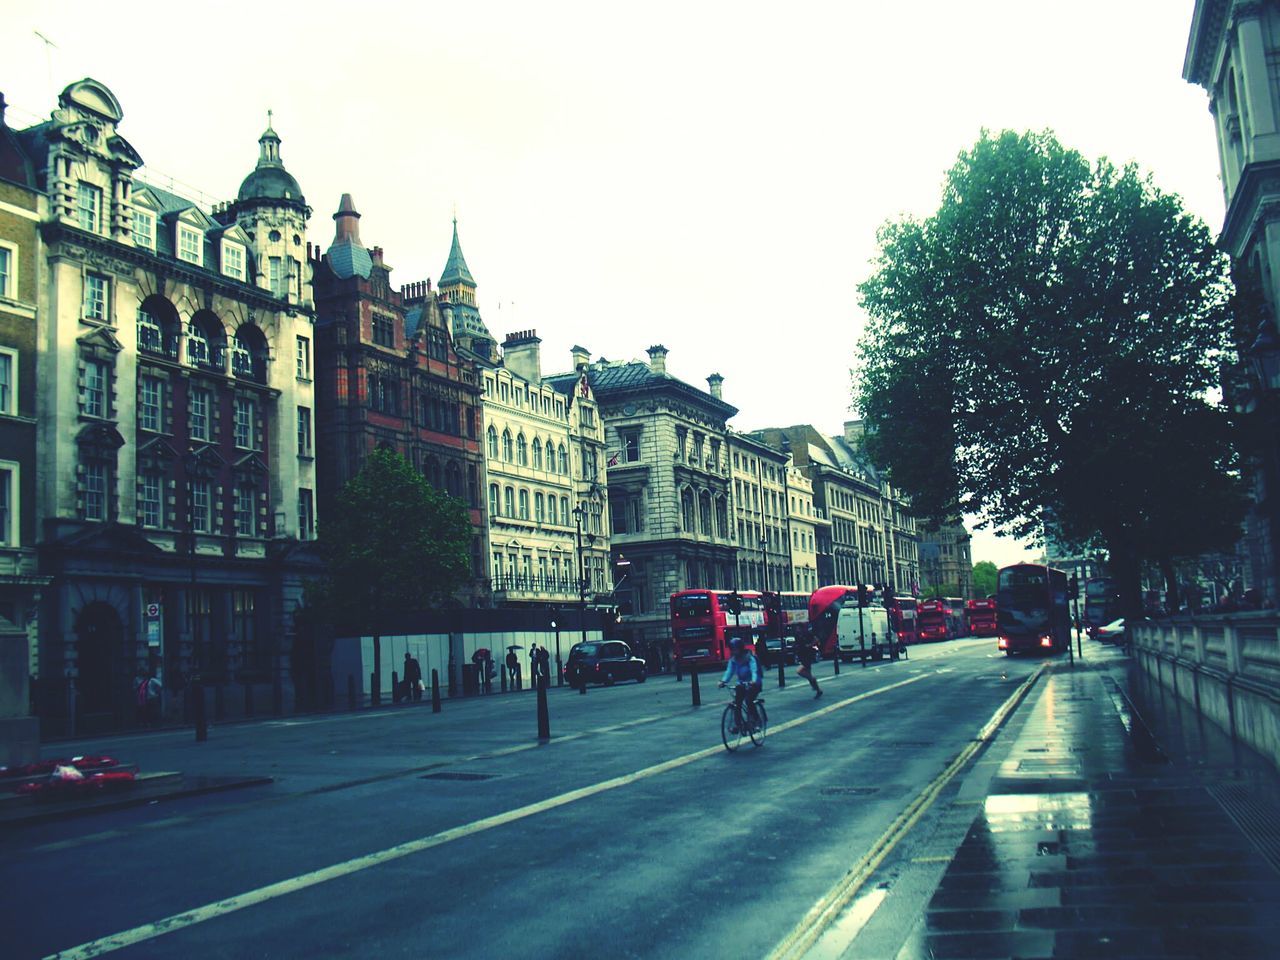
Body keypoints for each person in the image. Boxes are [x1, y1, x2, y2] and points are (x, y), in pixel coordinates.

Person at [717, 636, 762, 732]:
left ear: (740, 648)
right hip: (742, 683)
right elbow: (729, 671)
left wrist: (753, 681)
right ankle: (738, 725)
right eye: (732, 649)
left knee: (749, 701)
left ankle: (757, 721)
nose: (733, 651)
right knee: (737, 703)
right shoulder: (733, 659)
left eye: (735, 649)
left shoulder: (749, 657)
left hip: (754, 683)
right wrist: (723, 681)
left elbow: (754, 670)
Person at [795, 629, 822, 699]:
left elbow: (816, 640)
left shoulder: (807, 633)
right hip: (802, 656)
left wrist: (809, 645)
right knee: (808, 673)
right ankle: (818, 690)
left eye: (798, 628)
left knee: (799, 671)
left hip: (807, 656)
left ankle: (813, 680)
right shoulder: (797, 635)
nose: (797, 629)